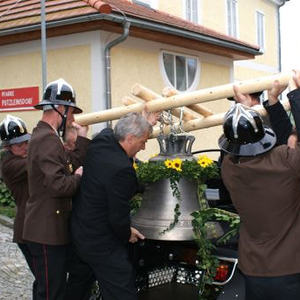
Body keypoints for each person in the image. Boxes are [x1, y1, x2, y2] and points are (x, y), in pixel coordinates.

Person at [218, 71, 300, 300]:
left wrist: (249, 109)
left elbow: (235, 143)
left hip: (254, 270)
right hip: (291, 270)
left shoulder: (230, 169)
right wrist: (293, 97)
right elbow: (287, 141)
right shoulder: (285, 161)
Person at [71, 112, 154, 300]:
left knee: (78, 288)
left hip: (80, 232)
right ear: (130, 138)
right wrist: (127, 233)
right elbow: (117, 216)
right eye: (142, 142)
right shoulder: (122, 170)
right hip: (100, 242)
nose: (144, 147)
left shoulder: (102, 140)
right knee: (121, 290)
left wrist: (145, 123)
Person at [23, 78, 93, 300]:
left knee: (54, 288)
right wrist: (79, 177)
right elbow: (59, 185)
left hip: (50, 229)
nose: (72, 118)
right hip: (46, 231)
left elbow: (67, 162)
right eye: (71, 112)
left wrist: (81, 141)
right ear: (60, 108)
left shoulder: (47, 136)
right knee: (51, 293)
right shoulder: (47, 138)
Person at [0, 115, 37, 299]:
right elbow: (37, 163)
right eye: (18, 144)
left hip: (34, 226)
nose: (24, 146)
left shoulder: (22, 157)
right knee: (45, 279)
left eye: (25, 141)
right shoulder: (10, 165)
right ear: (7, 147)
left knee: (46, 279)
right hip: (26, 231)